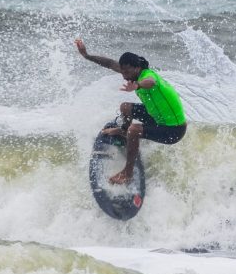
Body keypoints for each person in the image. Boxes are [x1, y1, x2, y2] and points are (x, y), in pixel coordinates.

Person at [74, 39, 187, 184]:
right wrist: (86, 55)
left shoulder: (147, 76)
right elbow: (109, 63)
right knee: (125, 107)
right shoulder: (131, 72)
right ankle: (123, 131)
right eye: (122, 71)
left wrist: (137, 85)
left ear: (137, 68)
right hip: (158, 118)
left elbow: (151, 82)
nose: (124, 75)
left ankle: (127, 173)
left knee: (134, 130)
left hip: (173, 130)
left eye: (127, 71)